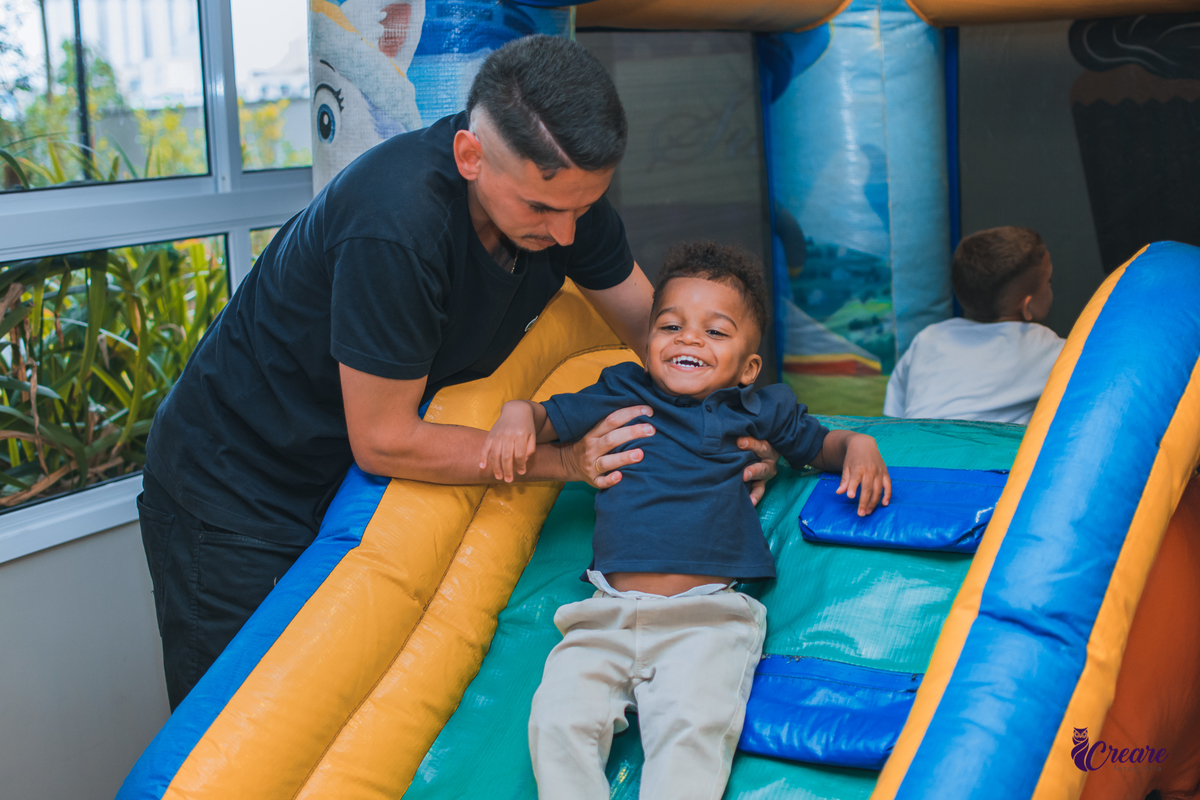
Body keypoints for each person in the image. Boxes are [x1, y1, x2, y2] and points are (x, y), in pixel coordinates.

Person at [136, 37, 785, 711]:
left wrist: (731, 420)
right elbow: (384, 439)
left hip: (332, 475)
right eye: (541, 209)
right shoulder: (396, 225)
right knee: (242, 716)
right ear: (471, 157)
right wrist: (563, 460)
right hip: (231, 480)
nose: (566, 235)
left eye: (584, 207)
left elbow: (656, 335)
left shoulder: (562, 203)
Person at [480, 241, 891, 800]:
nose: (690, 339)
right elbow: (543, 417)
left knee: (691, 734)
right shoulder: (621, 388)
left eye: (715, 332)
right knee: (557, 722)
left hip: (706, 620)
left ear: (749, 368)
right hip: (607, 615)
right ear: (649, 341)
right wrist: (513, 414)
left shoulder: (759, 409)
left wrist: (858, 444)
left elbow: (821, 445)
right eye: (671, 326)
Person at [884, 226, 1065, 424]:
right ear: (1027, 306)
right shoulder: (1049, 348)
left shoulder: (929, 338)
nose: (1050, 287)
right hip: (979, 452)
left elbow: (894, 417)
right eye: (1049, 281)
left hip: (912, 448)